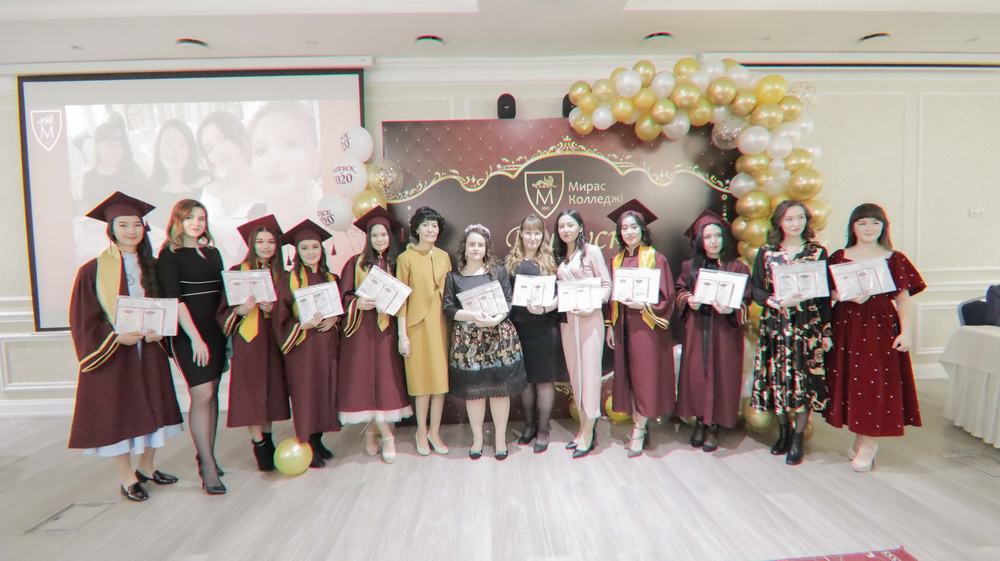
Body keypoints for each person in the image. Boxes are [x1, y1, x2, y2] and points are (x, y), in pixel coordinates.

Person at [68, 192, 183, 502]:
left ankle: (147, 468)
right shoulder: (93, 270)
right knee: (120, 413)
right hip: (117, 353)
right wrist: (116, 337)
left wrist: (161, 332)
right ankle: (127, 477)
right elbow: (83, 319)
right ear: (111, 228)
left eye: (137, 224)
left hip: (150, 350)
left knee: (154, 407)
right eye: (123, 224)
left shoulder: (154, 266)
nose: (131, 231)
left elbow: (166, 307)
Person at [824, 203, 925, 472]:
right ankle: (862, 439)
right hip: (846, 325)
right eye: (862, 223)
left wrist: (906, 332)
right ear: (853, 227)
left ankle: (868, 444)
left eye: (875, 222)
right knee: (852, 382)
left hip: (879, 327)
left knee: (873, 383)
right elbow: (826, 291)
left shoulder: (894, 258)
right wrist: (844, 295)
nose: (869, 228)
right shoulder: (839, 257)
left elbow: (903, 299)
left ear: (883, 226)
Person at [750, 199, 832, 466]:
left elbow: (824, 296)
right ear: (779, 222)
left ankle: (797, 439)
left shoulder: (817, 252)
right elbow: (757, 289)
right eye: (789, 219)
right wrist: (772, 301)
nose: (795, 223)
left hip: (807, 326)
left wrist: (826, 332)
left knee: (803, 382)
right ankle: (783, 432)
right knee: (777, 379)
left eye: (799, 218)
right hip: (776, 325)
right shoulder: (767, 252)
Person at [157, 199, 228, 494]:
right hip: (188, 333)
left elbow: (224, 292)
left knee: (213, 394)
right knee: (202, 394)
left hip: (216, 330)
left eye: (201, 218)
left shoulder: (213, 253)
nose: (196, 223)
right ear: (178, 221)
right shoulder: (168, 255)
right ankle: (207, 466)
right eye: (190, 218)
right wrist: (196, 338)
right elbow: (175, 300)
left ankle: (207, 454)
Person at [444, 224, 528, 460]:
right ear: (464, 247)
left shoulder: (498, 272)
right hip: (468, 341)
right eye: (472, 244)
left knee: (500, 392)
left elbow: (508, 302)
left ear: (486, 248)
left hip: (499, 337)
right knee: (475, 393)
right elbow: (448, 308)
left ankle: (500, 438)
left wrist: (494, 320)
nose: (476, 248)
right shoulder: (454, 276)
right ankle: (477, 438)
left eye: (480, 245)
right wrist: (473, 316)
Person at [338, 207, 414, 464]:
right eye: (375, 235)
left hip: (387, 331)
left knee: (384, 381)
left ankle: (372, 431)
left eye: (383, 235)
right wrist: (357, 303)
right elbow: (343, 297)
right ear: (368, 238)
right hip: (361, 331)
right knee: (364, 380)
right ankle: (387, 436)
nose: (380, 239)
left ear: (390, 237)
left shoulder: (397, 263)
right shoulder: (355, 263)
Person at [216, 214, 290, 472]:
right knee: (251, 393)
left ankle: (267, 439)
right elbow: (223, 311)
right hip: (248, 341)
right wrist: (241, 310)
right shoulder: (238, 273)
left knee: (271, 391)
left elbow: (291, 309)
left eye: (271, 242)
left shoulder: (283, 275)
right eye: (260, 242)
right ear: (252, 244)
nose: (266, 247)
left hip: (274, 340)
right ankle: (259, 443)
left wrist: (275, 309)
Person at [675, 210, 752, 453]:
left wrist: (731, 309)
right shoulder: (690, 267)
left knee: (721, 375)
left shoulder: (737, 267)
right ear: (700, 240)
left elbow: (746, 300)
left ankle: (714, 426)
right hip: (698, 329)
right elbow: (680, 290)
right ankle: (700, 422)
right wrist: (689, 300)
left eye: (717, 235)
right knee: (697, 375)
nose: (713, 241)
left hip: (724, 332)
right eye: (707, 237)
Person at [605, 200, 676, 458]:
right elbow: (611, 298)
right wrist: (610, 326)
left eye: (633, 227)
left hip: (646, 328)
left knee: (645, 378)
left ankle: (639, 429)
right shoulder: (616, 260)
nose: (629, 232)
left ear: (642, 229)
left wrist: (644, 305)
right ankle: (638, 422)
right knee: (630, 378)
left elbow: (667, 297)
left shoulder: (656, 258)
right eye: (624, 228)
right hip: (623, 326)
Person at [273, 219, 341, 468]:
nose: (311, 252)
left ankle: (318, 440)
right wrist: (302, 325)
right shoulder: (289, 280)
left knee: (324, 392)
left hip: (326, 345)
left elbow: (341, 310)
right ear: (297, 252)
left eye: (315, 247)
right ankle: (308, 443)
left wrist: (335, 318)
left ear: (322, 249)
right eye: (305, 248)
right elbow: (280, 318)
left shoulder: (331, 277)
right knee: (306, 393)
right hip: (302, 347)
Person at [504, 214, 566, 454]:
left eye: (537, 233)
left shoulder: (551, 262)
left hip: (545, 329)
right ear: (520, 234)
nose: (532, 237)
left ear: (543, 236)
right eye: (528, 232)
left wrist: (544, 308)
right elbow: (505, 296)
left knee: (544, 380)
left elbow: (561, 295)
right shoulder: (511, 263)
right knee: (526, 382)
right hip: (520, 329)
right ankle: (529, 426)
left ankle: (543, 429)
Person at [553, 209, 611, 458]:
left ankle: (589, 433)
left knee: (590, 376)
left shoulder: (592, 251)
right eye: (561, 226)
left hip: (590, 320)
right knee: (576, 376)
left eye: (570, 225)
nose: (565, 230)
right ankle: (582, 430)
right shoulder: (559, 255)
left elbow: (607, 285)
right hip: (568, 322)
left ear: (580, 227)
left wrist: (593, 305)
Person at [396, 207, 452, 456]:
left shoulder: (443, 256)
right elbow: (401, 300)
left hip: (440, 326)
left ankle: (434, 432)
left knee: (440, 383)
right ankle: (421, 431)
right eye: (426, 225)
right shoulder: (405, 259)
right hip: (416, 328)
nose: (431, 230)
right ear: (416, 229)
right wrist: (402, 335)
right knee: (421, 383)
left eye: (434, 225)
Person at [197, 111, 267, 265]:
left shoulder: (268, 182)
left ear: (238, 134)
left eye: (223, 139)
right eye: (210, 148)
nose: (219, 152)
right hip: (225, 273)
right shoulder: (209, 195)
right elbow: (206, 239)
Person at [247, 101, 322, 227]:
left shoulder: (333, 231)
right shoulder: (246, 236)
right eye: (260, 151)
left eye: (289, 145)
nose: (273, 161)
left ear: (315, 158)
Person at [81, 121, 147, 209]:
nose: (115, 150)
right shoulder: (90, 177)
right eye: (109, 144)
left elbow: (148, 200)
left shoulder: (132, 171)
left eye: (119, 145)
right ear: (97, 145)